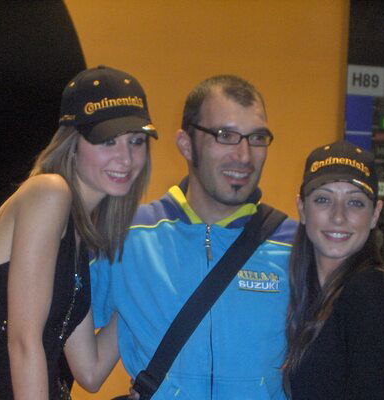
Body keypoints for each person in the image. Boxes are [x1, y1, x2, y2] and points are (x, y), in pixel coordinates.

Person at [91, 74, 297, 399]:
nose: (244, 156)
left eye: (257, 138)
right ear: (186, 144)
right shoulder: (127, 236)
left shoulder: (295, 245)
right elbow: (46, 333)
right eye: (225, 136)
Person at [0, 65, 158, 399]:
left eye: (136, 141)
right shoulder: (49, 193)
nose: (126, 158)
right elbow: (23, 341)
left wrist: (147, 284)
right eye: (108, 141)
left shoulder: (78, 234)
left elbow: (90, 371)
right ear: (72, 144)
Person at [283, 140, 384, 399]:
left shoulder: (372, 293)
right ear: (302, 208)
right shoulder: (306, 294)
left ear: (375, 214)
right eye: (323, 199)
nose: (338, 216)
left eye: (355, 202)